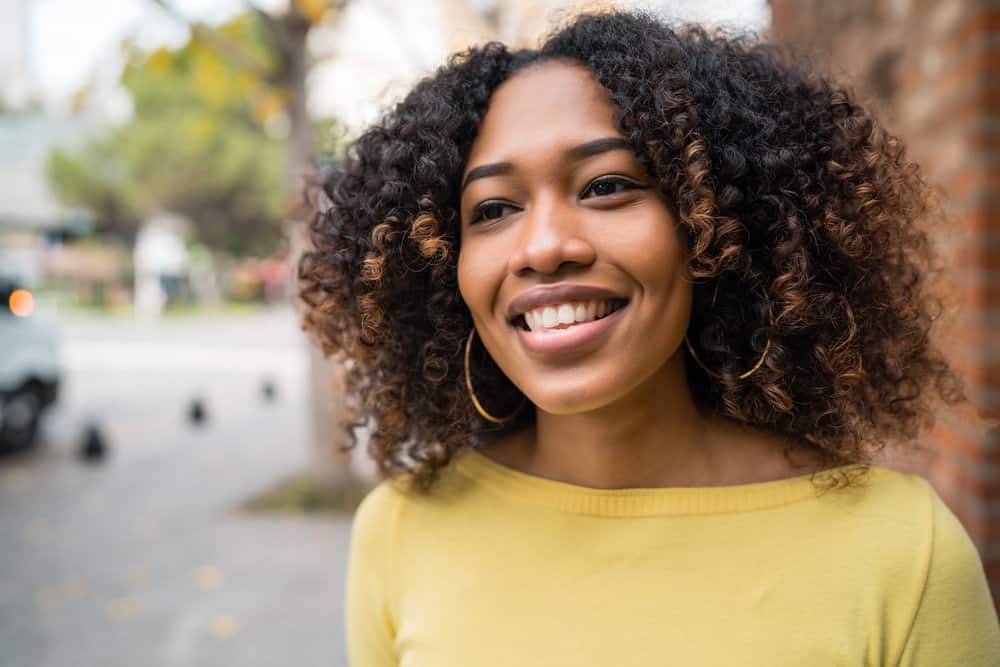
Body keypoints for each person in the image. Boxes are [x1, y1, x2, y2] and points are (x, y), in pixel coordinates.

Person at [298, 9, 1000, 666]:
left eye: (605, 186)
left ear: (714, 226)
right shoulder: (399, 530)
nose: (543, 247)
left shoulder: (904, 553)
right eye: (494, 208)